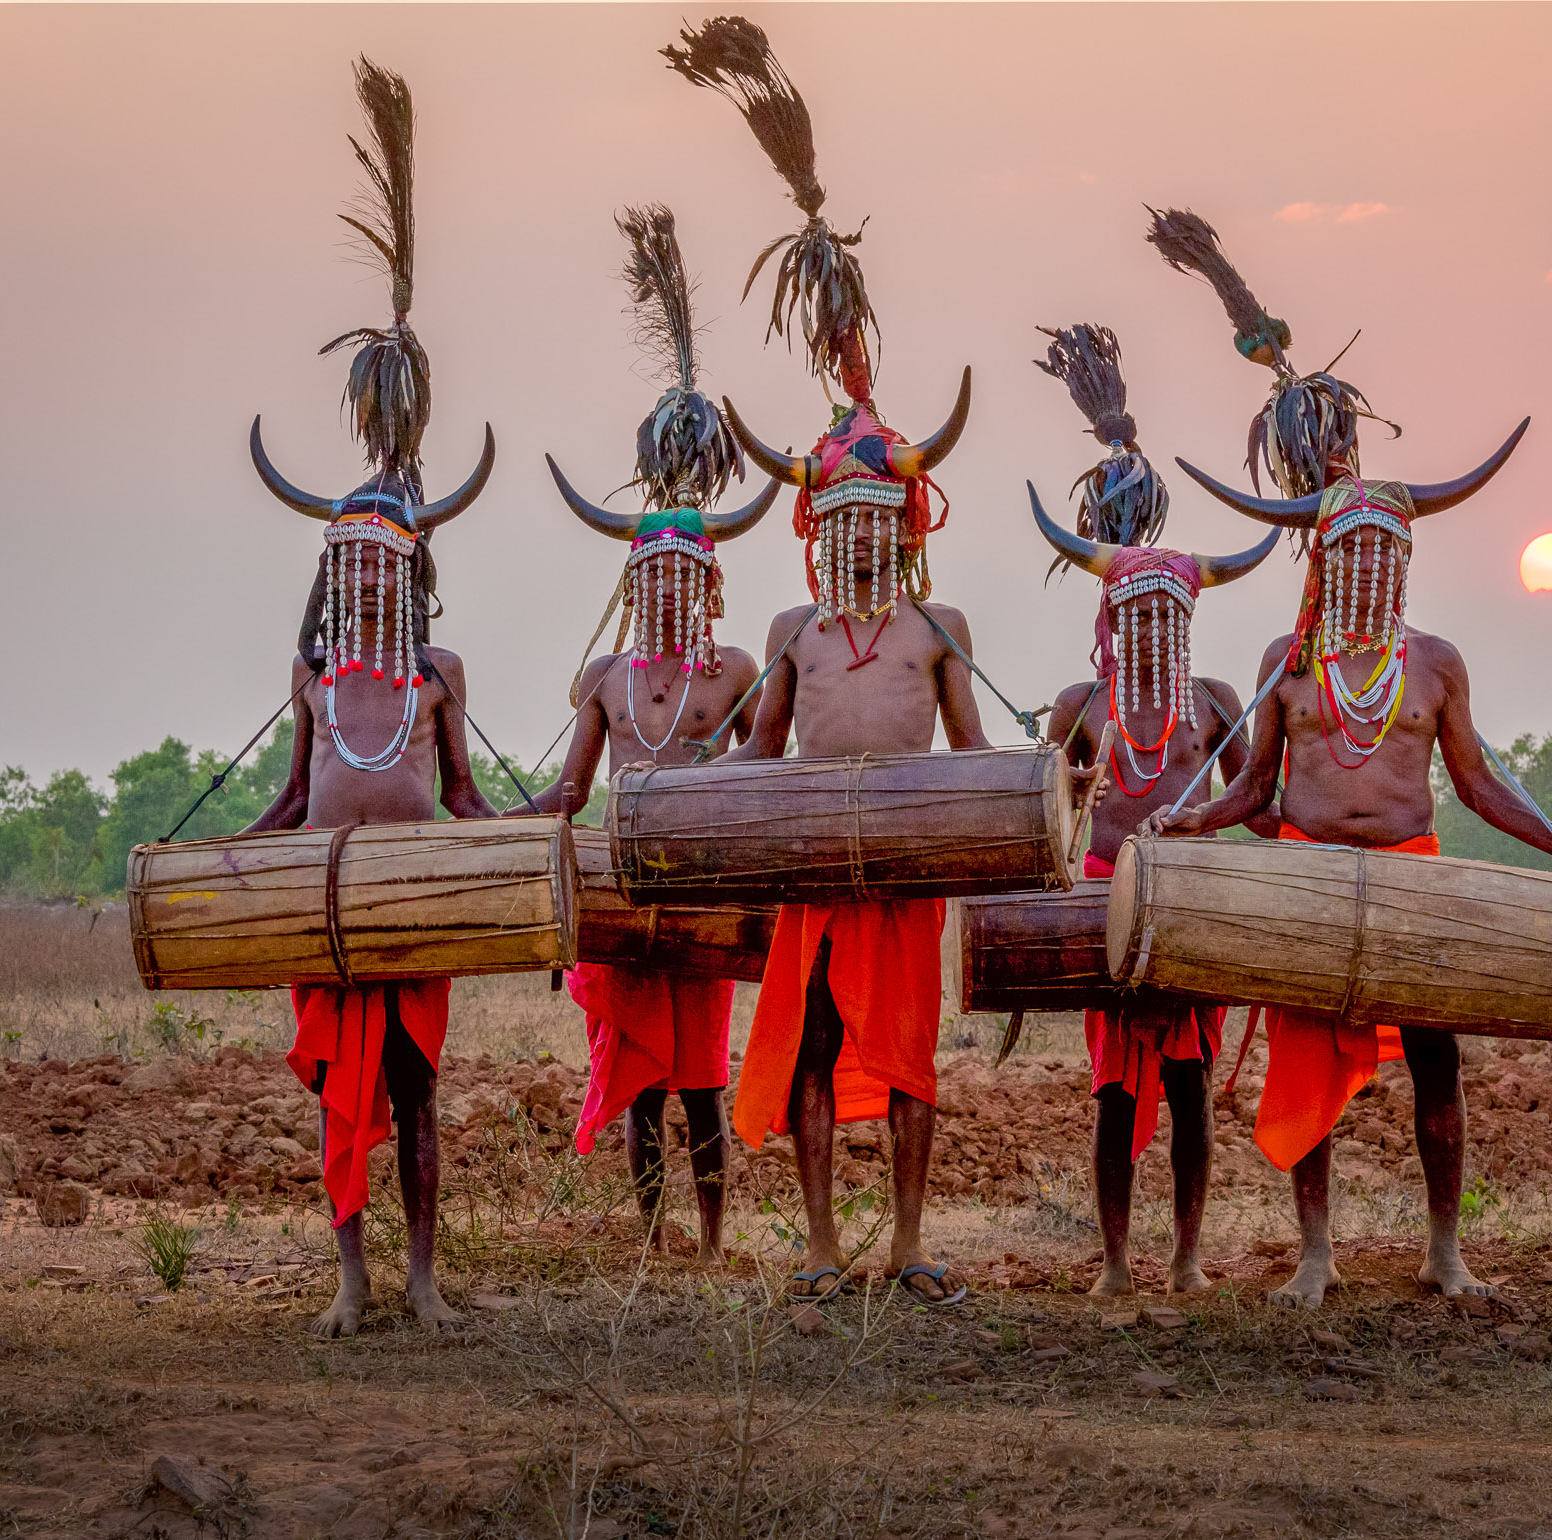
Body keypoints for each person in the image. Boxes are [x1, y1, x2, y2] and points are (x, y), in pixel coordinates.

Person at [1146, 207, 1552, 1306]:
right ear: (1321, 562)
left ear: (1400, 562)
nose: (1362, 566)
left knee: (1434, 1063)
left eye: (1380, 551)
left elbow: (1478, 779)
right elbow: (1250, 790)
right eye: (1344, 548)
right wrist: (1184, 821)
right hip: (1305, 874)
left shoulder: (1435, 664)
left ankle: (1445, 1250)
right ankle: (1315, 1254)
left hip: (1409, 871)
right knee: (1305, 1069)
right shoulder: (1285, 661)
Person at [669, 16, 1009, 1306]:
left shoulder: (936, 631)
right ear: (820, 534)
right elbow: (756, 757)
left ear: (904, 530)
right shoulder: (790, 637)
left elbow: (973, 754)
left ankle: (912, 1242)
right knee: (808, 1054)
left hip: (907, 875)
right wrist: (685, 776)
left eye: (882, 524)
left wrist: (1038, 794)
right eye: (845, 525)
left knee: (910, 1063)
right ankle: (817, 1245)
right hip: (816, 872)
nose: (863, 544)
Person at [244, 60, 500, 1337]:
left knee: (413, 1096)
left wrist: (514, 839)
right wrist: (224, 859)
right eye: (346, 565)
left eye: (379, 563)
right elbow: (293, 800)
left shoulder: (439, 677)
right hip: (330, 912)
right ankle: (347, 1281)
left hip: (412, 916)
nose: (362, 580)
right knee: (339, 1100)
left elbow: (460, 797)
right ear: (333, 580)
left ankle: (419, 1278)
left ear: (409, 580)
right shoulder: (309, 678)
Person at [532, 205, 778, 1262]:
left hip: (707, 905)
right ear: (635, 586)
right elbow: (567, 792)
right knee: (638, 1087)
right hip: (624, 907)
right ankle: (646, 1240)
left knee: (703, 1087)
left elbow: (767, 768)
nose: (669, 593)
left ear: (708, 584)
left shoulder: (731, 671)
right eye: (653, 579)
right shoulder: (601, 678)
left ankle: (714, 1239)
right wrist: (514, 854)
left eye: (685, 578)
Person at [1029, 323, 1282, 1297]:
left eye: (1165, 614)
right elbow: (1046, 816)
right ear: (1109, 619)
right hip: (1102, 905)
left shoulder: (1215, 701)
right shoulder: (1079, 707)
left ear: (1184, 617)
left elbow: (1254, 804)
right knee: (1110, 1090)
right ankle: (1113, 1262)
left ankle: (1182, 1257)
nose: (1150, 627)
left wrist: (1290, 831)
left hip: (1191, 906)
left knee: (1186, 1091)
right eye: (1133, 614)